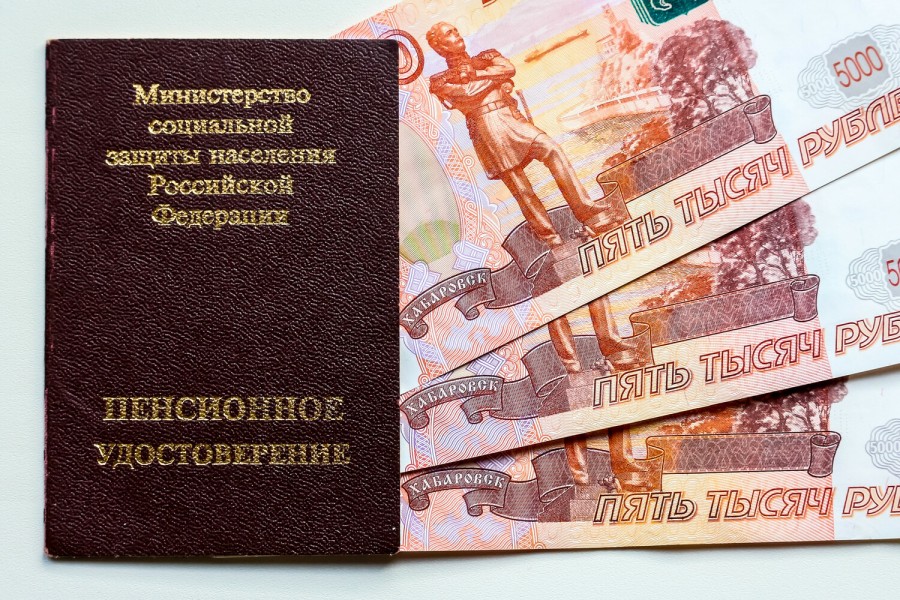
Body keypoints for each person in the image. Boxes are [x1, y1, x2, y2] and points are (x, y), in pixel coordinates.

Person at [425, 22, 610, 248]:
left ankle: (587, 211)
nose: (457, 35)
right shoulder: (440, 80)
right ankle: (550, 238)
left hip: (512, 118)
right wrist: (496, 79)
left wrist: (477, 74)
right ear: (440, 47)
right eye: (449, 34)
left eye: (455, 30)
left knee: (552, 150)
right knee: (520, 188)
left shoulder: (486, 57)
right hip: (488, 128)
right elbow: (469, 94)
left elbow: (509, 69)